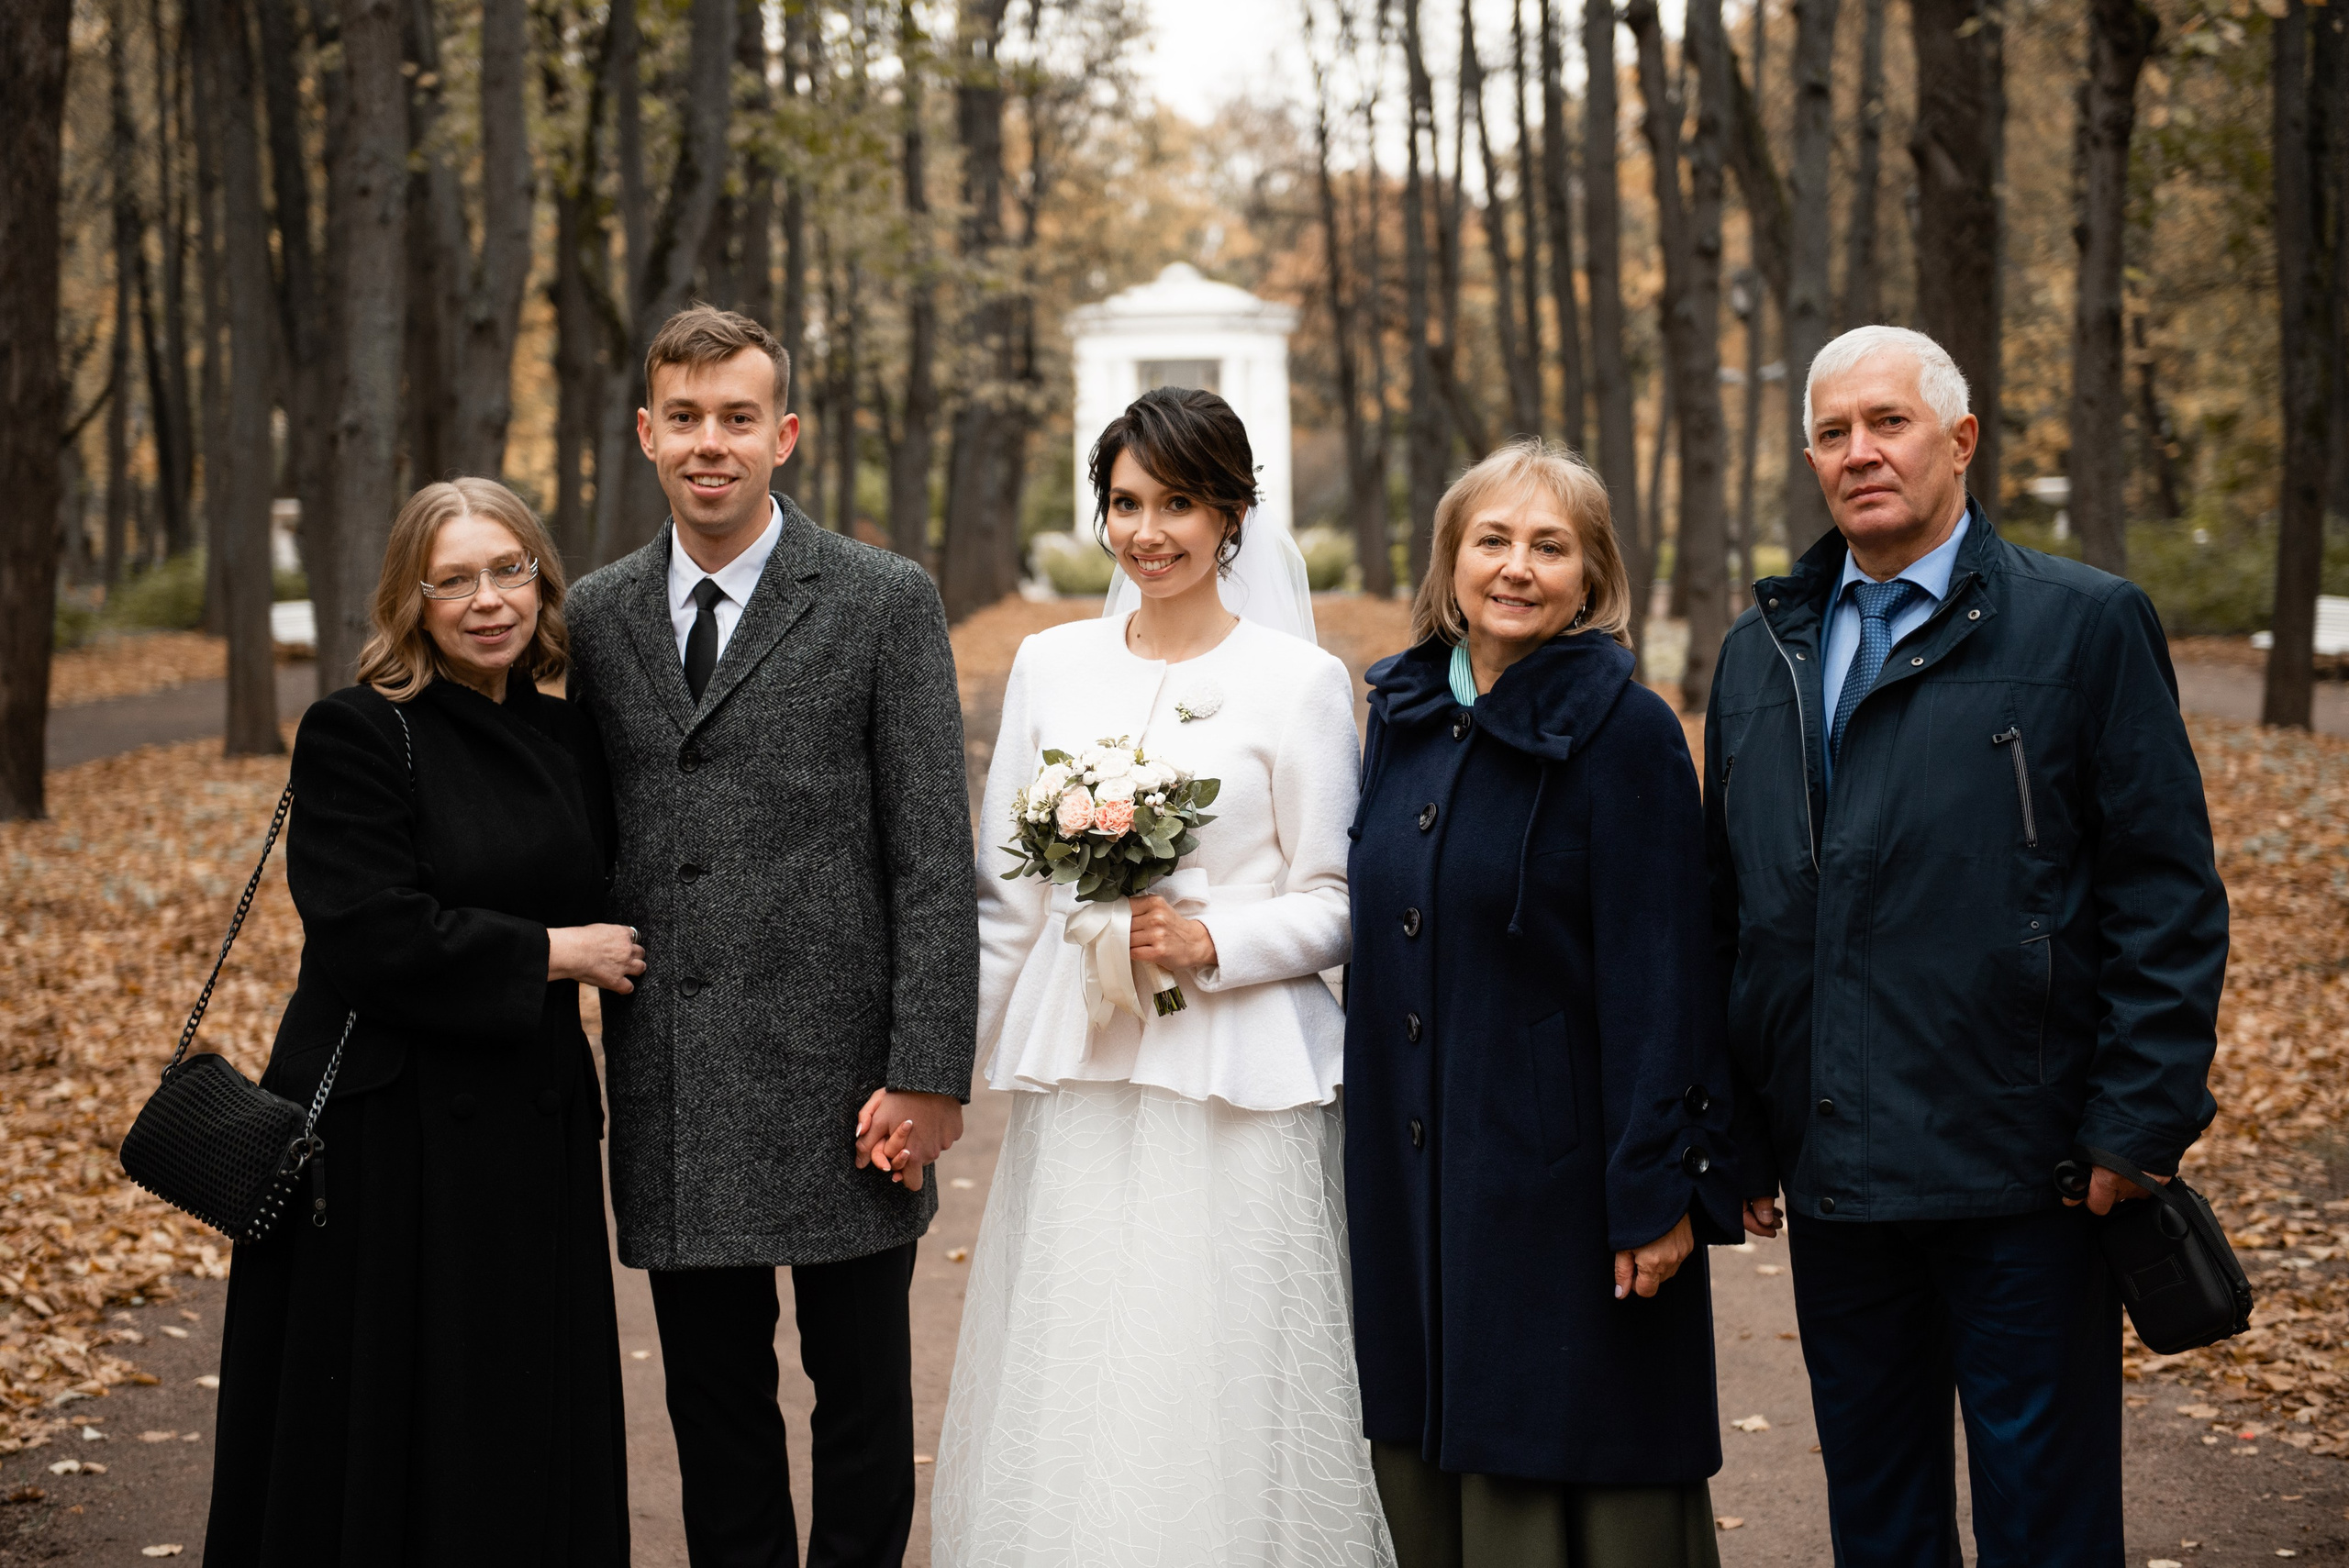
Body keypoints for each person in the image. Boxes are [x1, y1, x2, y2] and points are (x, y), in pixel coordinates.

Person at [1704, 325, 2229, 1566]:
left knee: (2046, 1524)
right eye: (1832, 433)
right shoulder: (1759, 650)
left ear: (1961, 439)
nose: (1859, 454)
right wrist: (1735, 1125)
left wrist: (2137, 1123)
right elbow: (1730, 905)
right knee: (1879, 1523)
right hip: (1836, 1166)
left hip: (2028, 1171)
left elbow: (2168, 891)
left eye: (1887, 422)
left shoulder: (2083, 627)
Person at [933, 386, 1393, 1567]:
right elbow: (1006, 901)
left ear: (1234, 512)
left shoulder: (1297, 682)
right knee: (1084, 1353)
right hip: (1086, 1071)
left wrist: (1215, 944)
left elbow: (1343, 904)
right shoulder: (1048, 663)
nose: (1149, 532)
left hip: (1235, 1079)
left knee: (1220, 1356)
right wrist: (941, 1069)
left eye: (1178, 503)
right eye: (1126, 502)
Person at [562, 305, 976, 1568]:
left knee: (860, 1405)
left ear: (783, 434)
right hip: (677, 1081)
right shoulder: (595, 614)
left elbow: (932, 855)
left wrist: (928, 1072)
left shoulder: (879, 600)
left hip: (849, 1083)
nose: (710, 443)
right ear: (646, 433)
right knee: (714, 1411)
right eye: (684, 418)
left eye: (738, 418)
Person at [204, 478, 638, 1565]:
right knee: (387, 1415)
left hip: (526, 1123)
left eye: (510, 571)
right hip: (383, 1135)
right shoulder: (357, 729)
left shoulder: (569, 729)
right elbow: (367, 932)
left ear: (541, 579)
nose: (488, 600)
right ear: (413, 597)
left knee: (513, 1409)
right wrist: (554, 951)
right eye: (455, 579)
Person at [1344, 439, 1743, 1568]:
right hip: (1417, 1179)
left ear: (1591, 573)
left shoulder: (1626, 732)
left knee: (1572, 1456)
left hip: (1564, 1189)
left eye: (1549, 545)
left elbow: (1668, 972)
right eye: (1492, 540)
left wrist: (1656, 1189)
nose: (1516, 568)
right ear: (1451, 558)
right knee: (1432, 1448)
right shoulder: (1405, 714)